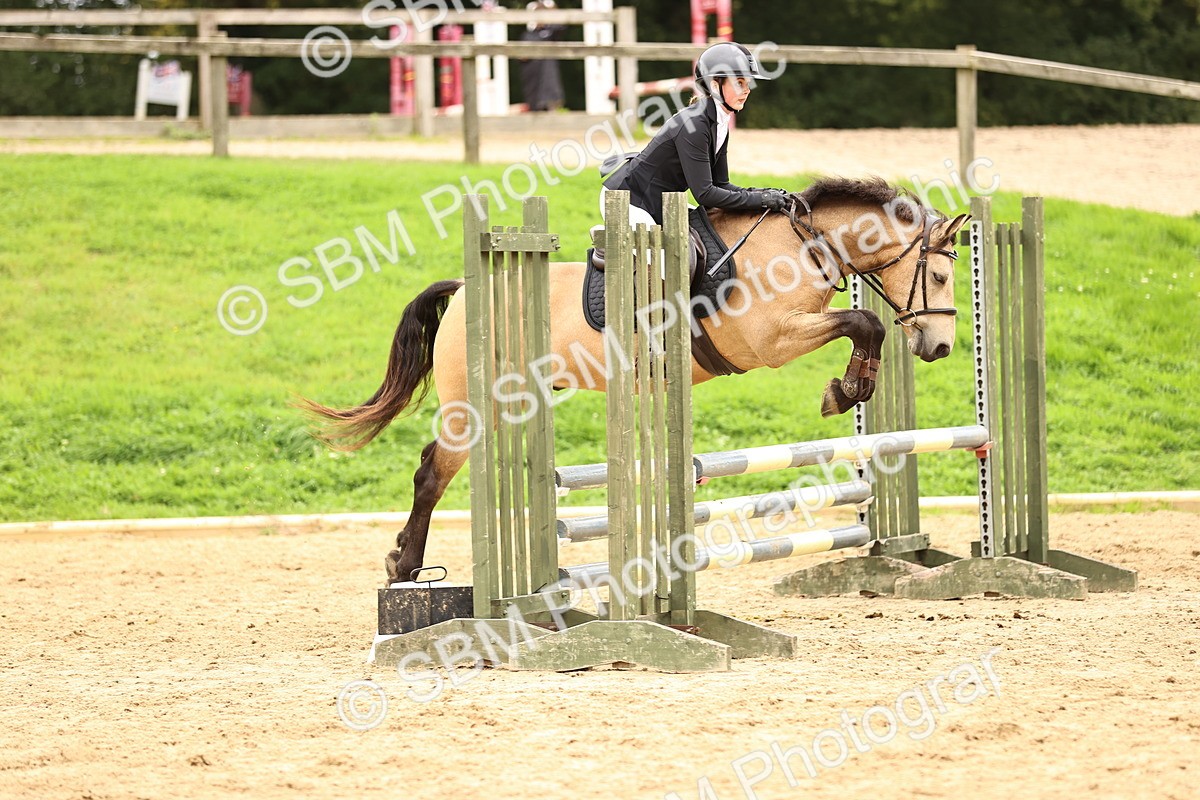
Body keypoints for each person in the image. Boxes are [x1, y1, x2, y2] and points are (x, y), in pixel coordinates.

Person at [600, 41, 789, 227]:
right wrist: (760, 200)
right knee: (660, 256)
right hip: (628, 201)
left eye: (747, 83)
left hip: (660, 202)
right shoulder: (695, 125)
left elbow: (721, 184)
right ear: (715, 86)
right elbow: (705, 194)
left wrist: (762, 193)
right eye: (739, 83)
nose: (747, 90)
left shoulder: (719, 122)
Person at [519, 0, 566, 112]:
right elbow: (522, 56)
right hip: (534, 81)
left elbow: (560, 25)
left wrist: (551, 9)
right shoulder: (529, 35)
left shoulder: (551, 33)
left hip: (548, 82)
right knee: (535, 106)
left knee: (550, 103)